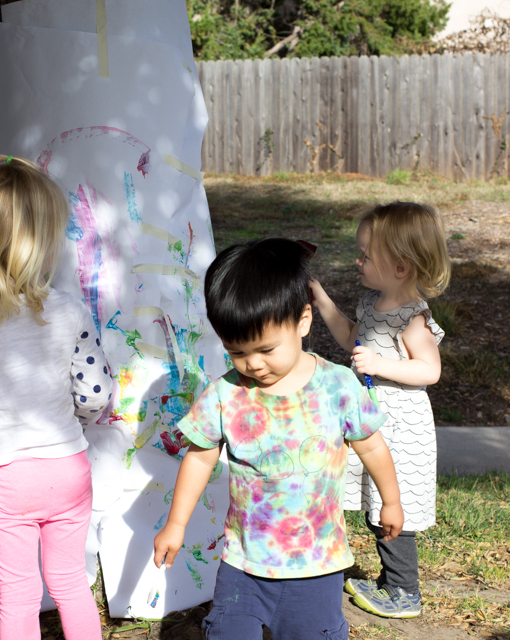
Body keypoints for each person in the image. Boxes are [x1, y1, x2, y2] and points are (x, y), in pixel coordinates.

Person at [153, 238, 404, 640]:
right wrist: (176, 524)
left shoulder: (337, 386)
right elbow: (200, 458)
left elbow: (371, 445)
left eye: (266, 349)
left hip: (316, 565)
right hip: (244, 564)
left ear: (303, 321)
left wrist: (390, 501)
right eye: (236, 352)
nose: (252, 363)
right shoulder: (225, 394)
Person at [0, 155, 113, 640]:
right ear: (42, 239)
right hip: (67, 467)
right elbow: (97, 391)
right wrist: (79, 414)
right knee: (71, 582)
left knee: (17, 591)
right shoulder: (66, 309)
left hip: (4, 476)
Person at [310, 202, 451, 619]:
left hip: (402, 426)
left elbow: (430, 370)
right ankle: (390, 583)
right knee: (376, 501)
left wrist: (380, 365)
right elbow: (351, 338)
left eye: (365, 255)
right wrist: (322, 302)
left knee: (394, 505)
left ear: (401, 267)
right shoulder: (372, 303)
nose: (358, 260)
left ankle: (405, 591)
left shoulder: (412, 318)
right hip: (372, 423)